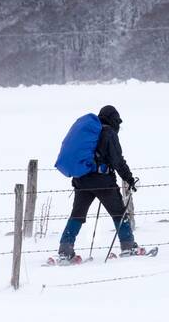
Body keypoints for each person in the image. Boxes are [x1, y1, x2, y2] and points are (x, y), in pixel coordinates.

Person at [57, 105, 144, 261]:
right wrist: (129, 179)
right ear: (113, 120)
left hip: (82, 180)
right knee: (119, 212)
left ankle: (65, 248)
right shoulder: (109, 133)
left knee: (77, 214)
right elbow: (118, 161)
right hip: (103, 182)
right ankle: (128, 245)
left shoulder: (91, 132)